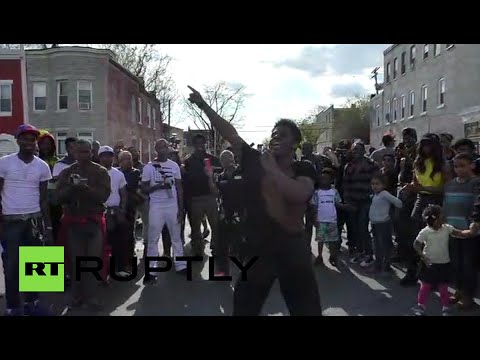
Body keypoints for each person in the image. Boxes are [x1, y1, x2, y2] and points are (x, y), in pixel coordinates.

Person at [188, 85, 322, 316]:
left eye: (282, 135)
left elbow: (300, 194)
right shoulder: (256, 161)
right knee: (244, 307)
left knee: (306, 310)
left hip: (293, 249)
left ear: (295, 143)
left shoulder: (303, 167)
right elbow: (230, 134)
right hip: (259, 249)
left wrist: (272, 171)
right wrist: (203, 105)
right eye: (273, 134)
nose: (275, 137)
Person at [0, 124, 53, 316]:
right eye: (25, 138)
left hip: (34, 222)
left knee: (36, 264)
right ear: (18, 140)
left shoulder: (42, 166)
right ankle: (13, 307)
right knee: (12, 266)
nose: (29, 142)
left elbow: (44, 199)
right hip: (11, 222)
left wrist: (48, 226)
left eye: (32, 139)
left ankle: (34, 303)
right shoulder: (4, 163)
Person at [56, 140, 111, 311]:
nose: (83, 155)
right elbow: (58, 198)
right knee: (75, 261)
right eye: (80, 152)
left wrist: (86, 188)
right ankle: (76, 295)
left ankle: (92, 296)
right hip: (73, 223)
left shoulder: (100, 171)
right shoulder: (66, 172)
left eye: (87, 152)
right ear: (74, 153)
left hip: (93, 222)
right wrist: (72, 188)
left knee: (92, 260)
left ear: (92, 152)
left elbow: (104, 196)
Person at [402, 133, 446, 286]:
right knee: (414, 238)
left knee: (433, 239)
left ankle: (432, 276)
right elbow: (415, 183)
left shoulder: (442, 163)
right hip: (420, 200)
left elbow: (445, 188)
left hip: (436, 201)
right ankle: (412, 272)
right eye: (424, 144)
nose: (426, 148)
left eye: (429, 144)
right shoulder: (418, 162)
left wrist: (423, 188)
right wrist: (411, 187)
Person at [141, 139, 187, 284]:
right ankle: (151, 270)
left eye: (165, 147)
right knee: (153, 238)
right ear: (155, 149)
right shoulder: (148, 168)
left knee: (176, 236)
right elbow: (144, 189)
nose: (162, 150)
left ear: (168, 149)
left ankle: (180, 265)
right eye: (159, 147)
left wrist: (181, 208)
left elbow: (179, 188)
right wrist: (158, 186)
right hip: (156, 206)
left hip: (172, 205)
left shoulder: (174, 166)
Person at [411, 205, 469, 316]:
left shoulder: (447, 228)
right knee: (425, 286)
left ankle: (445, 307)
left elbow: (460, 233)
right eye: (441, 216)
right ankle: (420, 306)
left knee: (443, 287)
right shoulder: (425, 232)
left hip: (444, 264)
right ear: (434, 219)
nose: (444, 217)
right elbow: (416, 244)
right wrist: (422, 255)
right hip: (429, 264)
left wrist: (471, 232)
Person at [443, 152, 480, 310]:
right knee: (456, 263)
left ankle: (468, 296)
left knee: (468, 265)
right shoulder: (450, 184)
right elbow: (445, 205)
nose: (458, 169)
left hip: (470, 233)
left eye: (462, 166)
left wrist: (475, 224)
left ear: (472, 165)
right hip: (452, 230)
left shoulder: (476, 183)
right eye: (456, 166)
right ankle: (458, 290)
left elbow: (478, 206)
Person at [207, 149, 246, 276]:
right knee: (222, 243)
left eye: (228, 157)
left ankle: (244, 269)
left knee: (241, 242)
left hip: (241, 212)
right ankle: (223, 271)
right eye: (222, 158)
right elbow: (216, 193)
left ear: (233, 158)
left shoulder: (242, 172)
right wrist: (209, 178)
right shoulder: (220, 176)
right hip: (225, 212)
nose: (225, 160)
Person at [183, 134, 221, 255]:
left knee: (215, 225)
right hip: (195, 198)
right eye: (197, 142)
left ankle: (216, 246)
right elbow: (186, 180)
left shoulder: (212, 158)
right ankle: (198, 248)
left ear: (205, 143)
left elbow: (221, 171)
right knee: (195, 227)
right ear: (194, 145)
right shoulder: (188, 161)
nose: (200, 145)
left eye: (202, 142)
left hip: (210, 197)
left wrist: (213, 170)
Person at [343, 141, 379, 267]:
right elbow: (346, 185)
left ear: (364, 151)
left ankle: (369, 254)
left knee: (363, 227)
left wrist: (372, 197)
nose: (356, 151)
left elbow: (376, 182)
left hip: (366, 201)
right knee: (355, 228)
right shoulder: (349, 166)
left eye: (358, 149)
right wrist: (347, 201)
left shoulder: (371, 164)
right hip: (353, 201)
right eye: (354, 150)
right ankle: (361, 252)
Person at [98, 146, 129, 277]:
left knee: (119, 242)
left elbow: (124, 194)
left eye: (109, 155)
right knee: (100, 243)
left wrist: (122, 210)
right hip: (99, 212)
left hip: (115, 212)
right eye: (104, 155)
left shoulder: (119, 174)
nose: (107, 158)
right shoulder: (95, 172)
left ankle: (119, 269)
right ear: (99, 157)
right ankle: (102, 270)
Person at [301, 142, 336, 255]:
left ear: (311, 149)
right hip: (305, 195)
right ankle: (307, 248)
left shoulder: (320, 159)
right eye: (303, 148)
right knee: (308, 224)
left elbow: (332, 168)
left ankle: (326, 252)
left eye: (307, 148)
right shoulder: (301, 162)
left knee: (320, 222)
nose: (304, 150)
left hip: (320, 194)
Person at [312, 168, 345, 268]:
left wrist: (347, 207)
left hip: (332, 220)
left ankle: (332, 256)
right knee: (320, 240)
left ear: (331, 180)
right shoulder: (317, 193)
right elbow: (314, 206)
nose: (324, 181)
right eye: (322, 179)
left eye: (326, 179)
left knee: (332, 240)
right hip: (320, 220)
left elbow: (338, 204)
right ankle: (320, 256)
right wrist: (314, 219)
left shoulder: (334, 192)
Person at [369, 175, 403, 273]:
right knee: (377, 245)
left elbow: (398, 203)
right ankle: (378, 265)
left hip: (383, 224)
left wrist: (393, 214)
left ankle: (385, 266)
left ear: (383, 185)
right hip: (375, 223)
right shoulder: (376, 195)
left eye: (377, 184)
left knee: (384, 245)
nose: (374, 186)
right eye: (373, 184)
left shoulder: (384, 194)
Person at [118, 150, 143, 271]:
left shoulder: (135, 172)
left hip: (130, 207)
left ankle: (129, 261)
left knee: (129, 234)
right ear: (120, 161)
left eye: (129, 158)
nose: (128, 161)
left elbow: (129, 187)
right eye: (125, 159)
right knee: (118, 234)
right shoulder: (116, 172)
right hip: (117, 207)